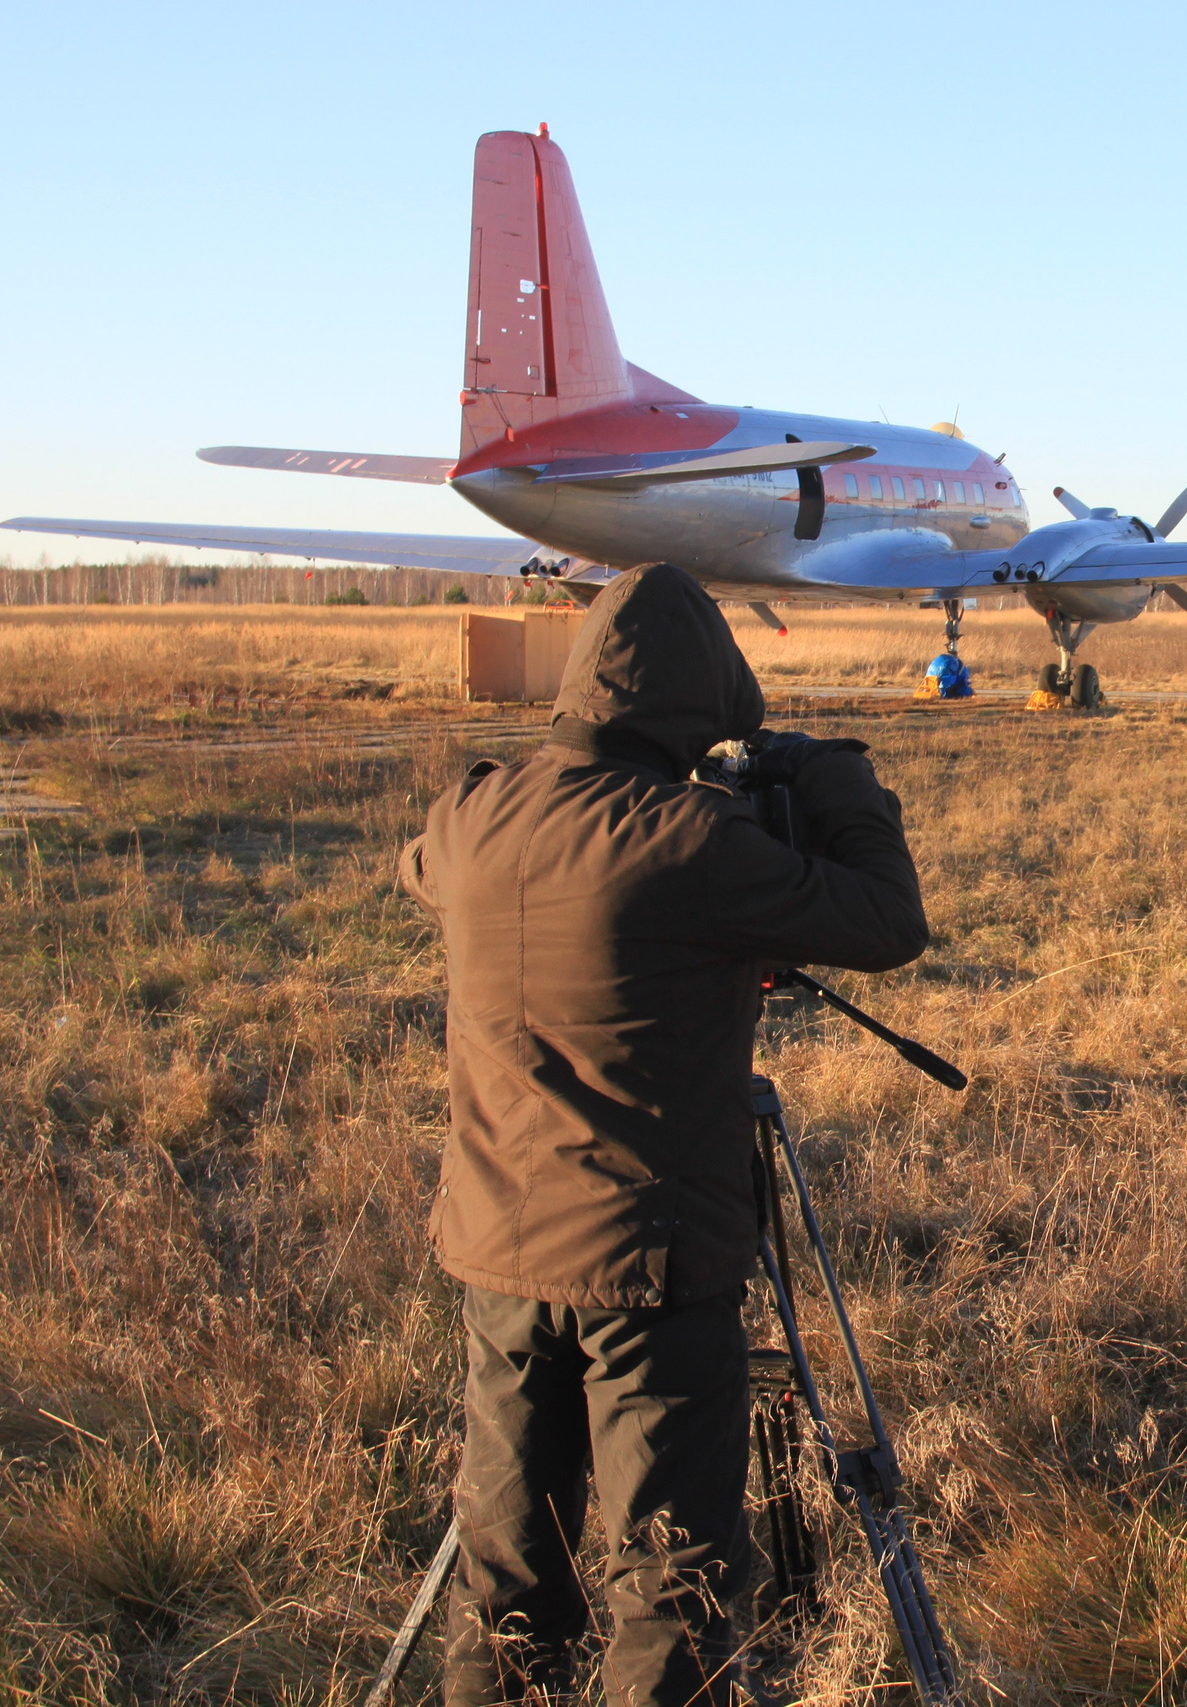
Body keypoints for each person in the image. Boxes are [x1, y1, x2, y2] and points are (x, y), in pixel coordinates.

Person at [398, 564, 929, 1707]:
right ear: (697, 700)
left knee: (506, 1575)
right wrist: (832, 776)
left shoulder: (469, 821)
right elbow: (890, 921)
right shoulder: (692, 841)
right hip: (648, 1268)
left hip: (499, 1256)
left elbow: (424, 868)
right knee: (671, 1582)